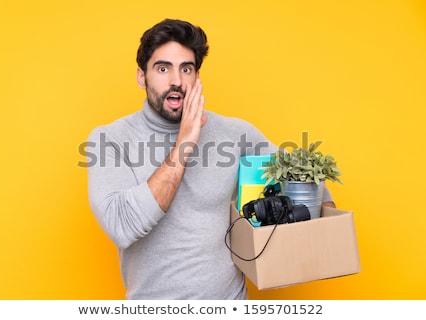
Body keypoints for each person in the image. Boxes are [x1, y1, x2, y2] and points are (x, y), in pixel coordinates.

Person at [87, 18, 335, 300]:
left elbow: (305, 178)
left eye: (186, 69)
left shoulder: (235, 133)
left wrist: (325, 229)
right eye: (162, 68)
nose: (176, 81)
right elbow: (123, 226)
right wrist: (185, 143)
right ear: (141, 77)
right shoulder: (109, 140)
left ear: (197, 77)